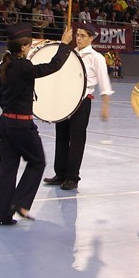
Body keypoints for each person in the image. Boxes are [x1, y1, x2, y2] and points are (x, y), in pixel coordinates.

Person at [0, 23, 74, 225]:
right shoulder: (24, 67)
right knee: (37, 162)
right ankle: (19, 203)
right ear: (23, 47)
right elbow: (53, 66)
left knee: (7, 168)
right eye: (28, 45)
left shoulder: (2, 66)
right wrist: (64, 45)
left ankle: (0, 215)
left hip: (5, 123)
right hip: (22, 126)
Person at [44, 22, 113, 191]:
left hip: (82, 101)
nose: (79, 38)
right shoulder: (71, 53)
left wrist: (105, 106)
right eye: (77, 35)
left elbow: (104, 83)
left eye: (83, 36)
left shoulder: (96, 57)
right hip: (65, 100)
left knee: (76, 139)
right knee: (61, 136)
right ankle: (60, 172)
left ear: (91, 38)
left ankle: (72, 177)